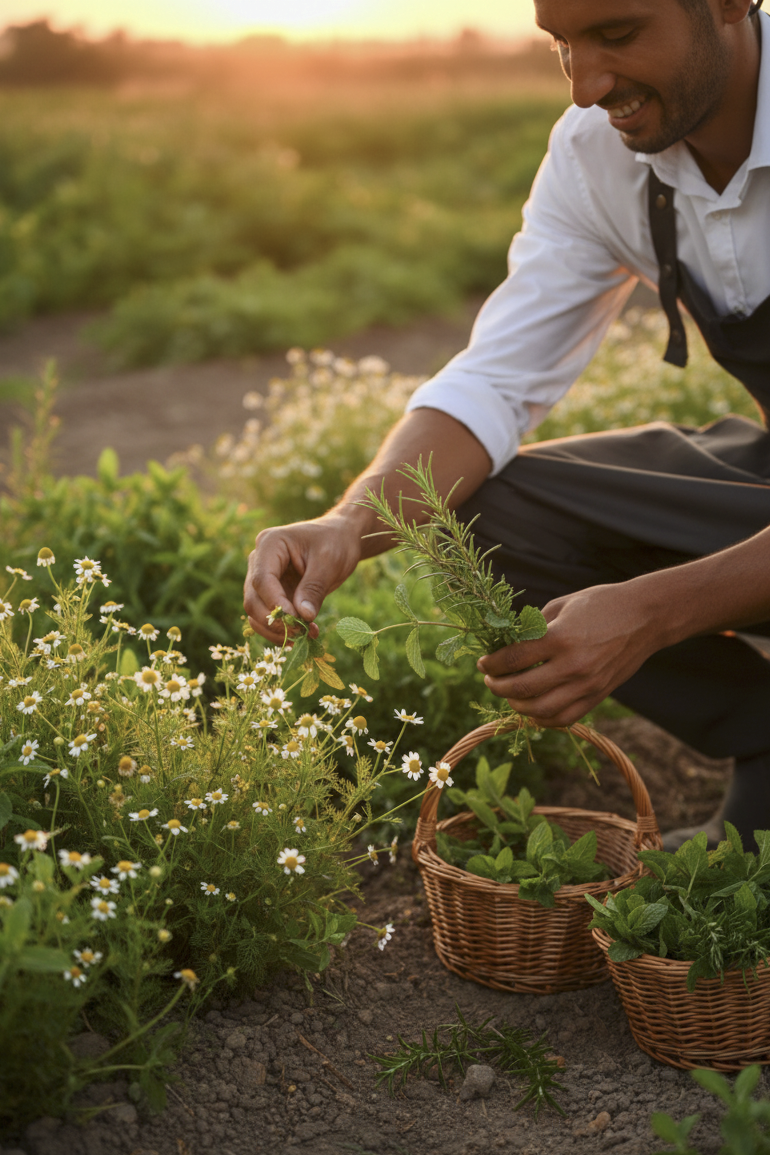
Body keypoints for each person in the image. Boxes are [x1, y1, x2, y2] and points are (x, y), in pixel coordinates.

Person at [245, 0, 770, 849]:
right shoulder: (598, 158)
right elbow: (498, 377)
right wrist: (348, 524)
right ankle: (767, 741)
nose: (587, 87)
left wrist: (652, 611)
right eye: (562, 46)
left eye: (618, 34)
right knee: (488, 514)